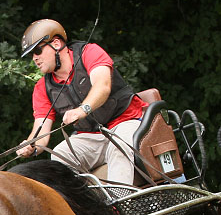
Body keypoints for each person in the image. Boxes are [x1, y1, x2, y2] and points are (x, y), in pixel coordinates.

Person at [15, 19, 145, 185]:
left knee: (118, 147)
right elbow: (41, 133)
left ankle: (120, 208)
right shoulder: (42, 88)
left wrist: (82, 110)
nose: (34, 58)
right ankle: (84, 207)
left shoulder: (89, 52)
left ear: (56, 43)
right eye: (31, 55)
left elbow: (102, 86)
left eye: (38, 50)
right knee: (59, 154)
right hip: (91, 136)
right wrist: (31, 145)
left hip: (126, 121)